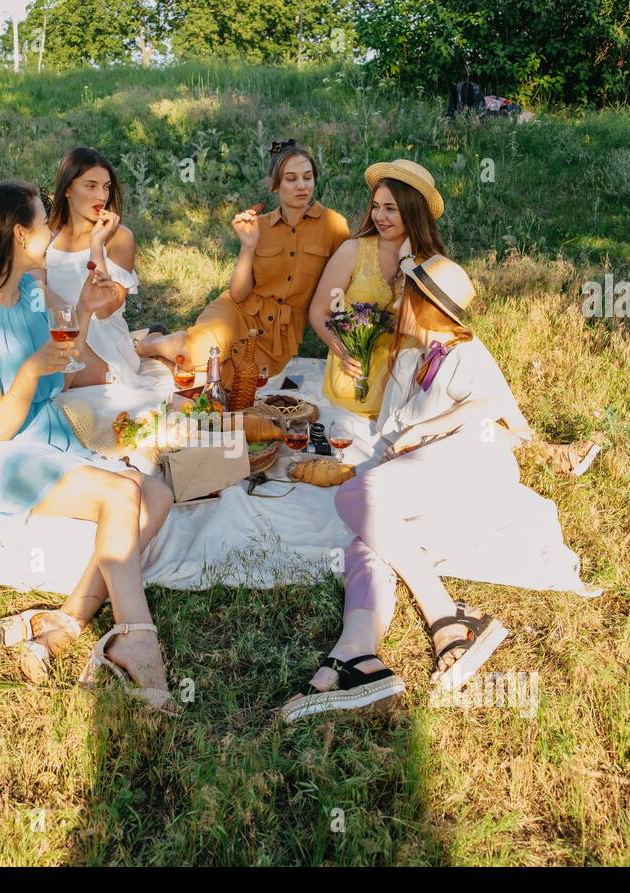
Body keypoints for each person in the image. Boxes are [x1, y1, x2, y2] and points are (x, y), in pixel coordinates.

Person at [282, 254, 597, 722]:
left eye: (404, 293)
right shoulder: (410, 353)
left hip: (469, 462)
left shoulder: (465, 352)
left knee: (355, 498)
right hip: (420, 475)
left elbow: (495, 405)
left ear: (422, 303)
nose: (395, 301)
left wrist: (427, 430)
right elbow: (392, 427)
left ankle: (444, 616)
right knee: (365, 543)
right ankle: (357, 655)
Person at [0, 179, 178, 714]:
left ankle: (67, 620)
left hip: (46, 432)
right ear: (19, 234)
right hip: (2, 454)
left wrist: (83, 310)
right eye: (43, 221)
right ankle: (137, 637)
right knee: (120, 496)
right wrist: (31, 369)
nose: (52, 229)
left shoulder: (34, 292)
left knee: (157, 495)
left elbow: (65, 366)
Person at [136, 140, 350, 390]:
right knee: (198, 356)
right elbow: (238, 294)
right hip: (237, 313)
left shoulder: (333, 225)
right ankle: (150, 342)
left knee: (229, 381)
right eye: (291, 179)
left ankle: (175, 350)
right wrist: (248, 246)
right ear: (275, 185)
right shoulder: (260, 226)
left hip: (280, 336)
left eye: (308, 177)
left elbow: (344, 284)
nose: (302, 186)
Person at [310, 159, 446, 418]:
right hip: (354, 378)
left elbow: (436, 328)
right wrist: (343, 350)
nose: (379, 216)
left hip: (404, 383)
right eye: (375, 206)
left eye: (390, 209)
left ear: (412, 212)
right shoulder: (353, 251)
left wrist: (408, 264)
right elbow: (318, 311)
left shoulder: (429, 264)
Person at [44, 146, 157, 388]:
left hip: (104, 345)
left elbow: (104, 310)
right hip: (60, 335)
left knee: (51, 380)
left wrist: (96, 245)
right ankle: (150, 340)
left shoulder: (119, 238)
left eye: (106, 187)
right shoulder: (49, 235)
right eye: (91, 186)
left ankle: (148, 343)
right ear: (67, 189)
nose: (101, 196)